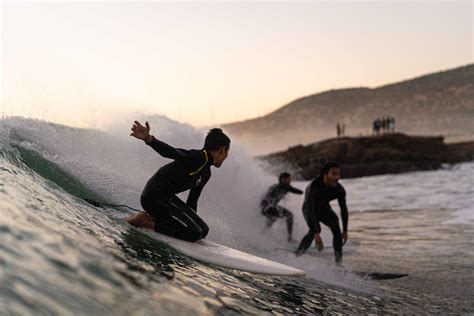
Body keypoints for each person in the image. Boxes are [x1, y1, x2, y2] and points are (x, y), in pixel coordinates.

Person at [125, 121, 230, 242]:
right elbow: (172, 152)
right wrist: (148, 139)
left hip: (166, 199)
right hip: (153, 197)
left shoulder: (206, 172)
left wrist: (191, 223)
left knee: (203, 230)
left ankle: (155, 219)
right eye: (227, 152)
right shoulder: (199, 157)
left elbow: (192, 201)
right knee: (195, 233)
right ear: (223, 150)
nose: (226, 156)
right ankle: (145, 221)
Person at [295, 162, 349, 265]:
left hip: (324, 208)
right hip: (309, 209)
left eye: (338, 174)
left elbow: (344, 210)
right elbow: (310, 209)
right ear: (325, 174)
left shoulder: (339, 190)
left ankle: (338, 264)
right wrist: (316, 234)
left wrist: (345, 230)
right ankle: (296, 257)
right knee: (314, 230)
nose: (337, 177)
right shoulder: (314, 186)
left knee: (336, 227)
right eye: (333, 174)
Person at [260, 172, 303, 241]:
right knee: (281, 216)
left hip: (273, 206)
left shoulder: (287, 187)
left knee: (288, 215)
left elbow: (297, 191)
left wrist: (302, 192)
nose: (290, 180)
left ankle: (262, 233)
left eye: (290, 179)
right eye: (288, 179)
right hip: (266, 207)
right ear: (283, 179)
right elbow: (266, 197)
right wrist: (268, 206)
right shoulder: (276, 187)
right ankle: (262, 234)